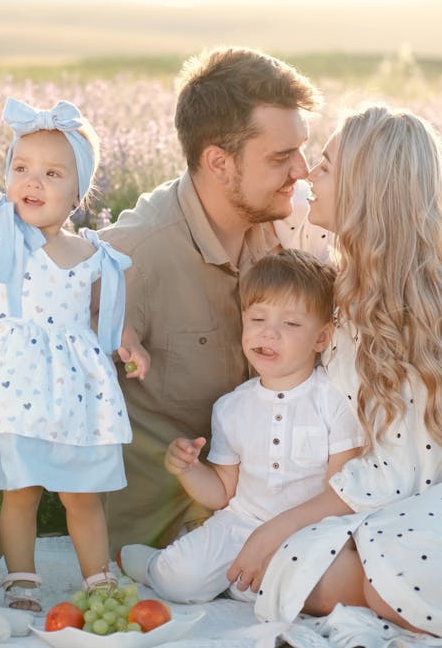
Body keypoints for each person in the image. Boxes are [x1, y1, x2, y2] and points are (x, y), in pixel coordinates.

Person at [226, 105, 442, 640]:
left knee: (364, 577)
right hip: (373, 506)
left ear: (365, 192)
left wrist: (280, 524)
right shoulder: (334, 259)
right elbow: (266, 196)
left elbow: (403, 472)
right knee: (296, 576)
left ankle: (382, 597)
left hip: (422, 496)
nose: (306, 174)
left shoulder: (423, 310)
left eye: (324, 167)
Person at [100, 46, 332, 552]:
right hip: (162, 541)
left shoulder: (278, 234)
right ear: (218, 163)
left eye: (302, 150)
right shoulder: (132, 257)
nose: (301, 171)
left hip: (265, 519)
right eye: (279, 158)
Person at [0, 97, 149, 611]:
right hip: (16, 392)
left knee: (82, 493)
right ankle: (22, 578)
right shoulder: (1, 233)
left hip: (71, 396)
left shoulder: (91, 253)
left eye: (52, 173)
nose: (32, 182)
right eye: (21, 169)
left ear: (79, 193)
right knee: (22, 491)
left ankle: (97, 578)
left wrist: (129, 342)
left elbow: (99, 316)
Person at [119, 249, 362, 603]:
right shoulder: (232, 407)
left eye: (291, 324)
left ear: (322, 338)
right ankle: (156, 565)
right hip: (241, 523)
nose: (269, 334)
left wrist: (282, 533)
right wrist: (188, 469)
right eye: (258, 319)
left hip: (309, 529)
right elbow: (221, 493)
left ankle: (241, 582)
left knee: (315, 581)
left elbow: (342, 492)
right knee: (180, 581)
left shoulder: (333, 399)